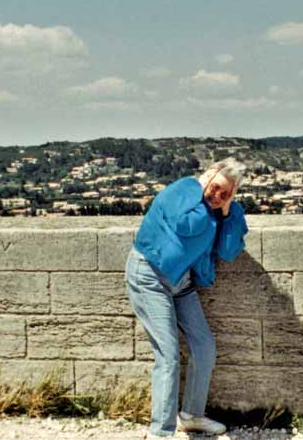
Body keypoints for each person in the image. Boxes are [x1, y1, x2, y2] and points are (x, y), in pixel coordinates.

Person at [125, 158, 248, 439]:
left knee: (204, 346)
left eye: (226, 194)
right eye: (216, 188)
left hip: (181, 282)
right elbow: (184, 224)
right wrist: (204, 196)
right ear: (210, 174)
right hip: (149, 274)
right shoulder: (184, 189)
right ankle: (161, 432)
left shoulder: (225, 211)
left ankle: (191, 416)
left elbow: (229, 250)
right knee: (168, 355)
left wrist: (227, 212)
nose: (218, 196)